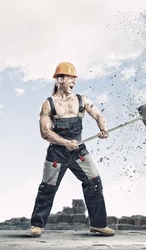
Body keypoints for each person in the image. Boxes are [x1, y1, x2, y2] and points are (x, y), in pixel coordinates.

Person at [29, 62, 115, 237]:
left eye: (75, 79)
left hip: (78, 151)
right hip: (56, 152)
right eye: (70, 78)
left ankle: (98, 224)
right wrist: (65, 142)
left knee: (94, 183)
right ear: (60, 79)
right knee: (47, 188)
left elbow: (98, 115)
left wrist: (103, 127)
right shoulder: (49, 104)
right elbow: (45, 133)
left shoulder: (82, 100)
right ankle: (37, 225)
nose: (74, 81)